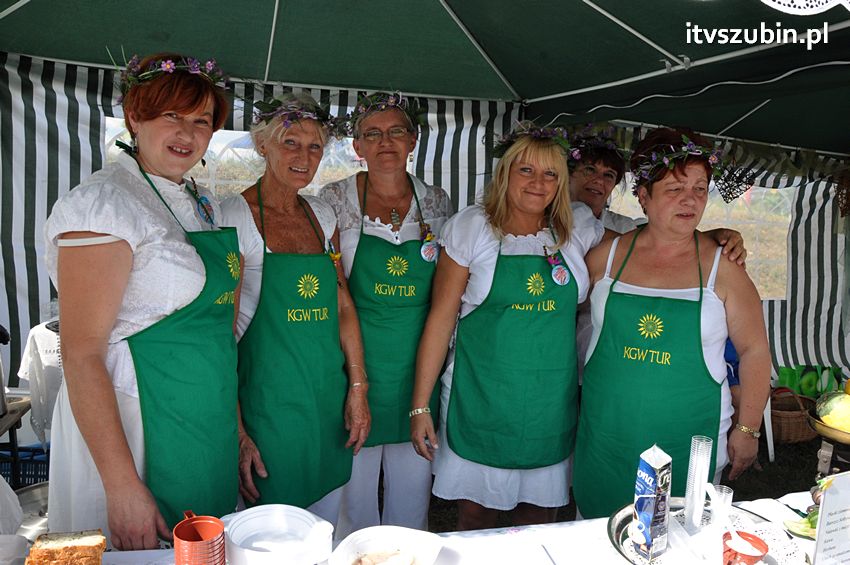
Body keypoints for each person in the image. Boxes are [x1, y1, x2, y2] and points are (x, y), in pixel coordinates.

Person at [44, 53, 237, 549]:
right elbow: (81, 352)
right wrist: (122, 485)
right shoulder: (105, 203)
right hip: (134, 423)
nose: (187, 133)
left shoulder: (192, 198)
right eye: (171, 115)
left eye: (201, 121)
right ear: (135, 116)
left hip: (197, 414)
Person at [410, 123, 602, 530]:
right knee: (478, 515)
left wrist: (707, 239)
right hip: (481, 399)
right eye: (526, 170)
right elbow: (441, 320)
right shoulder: (473, 228)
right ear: (505, 173)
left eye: (550, 173)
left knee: (539, 516)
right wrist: (420, 404)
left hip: (548, 403)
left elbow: (644, 248)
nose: (539, 183)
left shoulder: (576, 230)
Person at [572, 127, 771, 519]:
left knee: (678, 539)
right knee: (597, 535)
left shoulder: (723, 268)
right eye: (675, 188)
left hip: (689, 437)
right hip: (607, 433)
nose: (690, 200)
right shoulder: (605, 257)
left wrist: (748, 430)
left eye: (699, 188)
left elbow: (754, 350)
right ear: (643, 196)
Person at [219, 93, 370, 525]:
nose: (304, 156)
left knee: (323, 520)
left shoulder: (322, 216)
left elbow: (343, 306)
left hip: (325, 397)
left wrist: (358, 388)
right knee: (272, 531)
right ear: (263, 145)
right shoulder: (235, 216)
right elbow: (221, 335)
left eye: (315, 146)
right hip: (267, 403)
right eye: (291, 143)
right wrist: (238, 432)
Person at [321, 92, 453, 537]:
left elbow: (444, 292)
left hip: (418, 364)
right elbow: (333, 289)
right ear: (357, 146)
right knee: (353, 493)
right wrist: (354, 377)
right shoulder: (335, 198)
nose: (385, 143)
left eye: (397, 131)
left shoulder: (436, 202)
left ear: (413, 140)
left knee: (413, 489)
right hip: (355, 362)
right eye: (371, 134)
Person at [567, 131, 748, 380]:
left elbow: (666, 238)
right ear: (567, 175)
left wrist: (715, 235)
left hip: (615, 353)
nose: (598, 181)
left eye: (608, 175)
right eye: (589, 170)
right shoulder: (547, 224)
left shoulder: (624, 227)